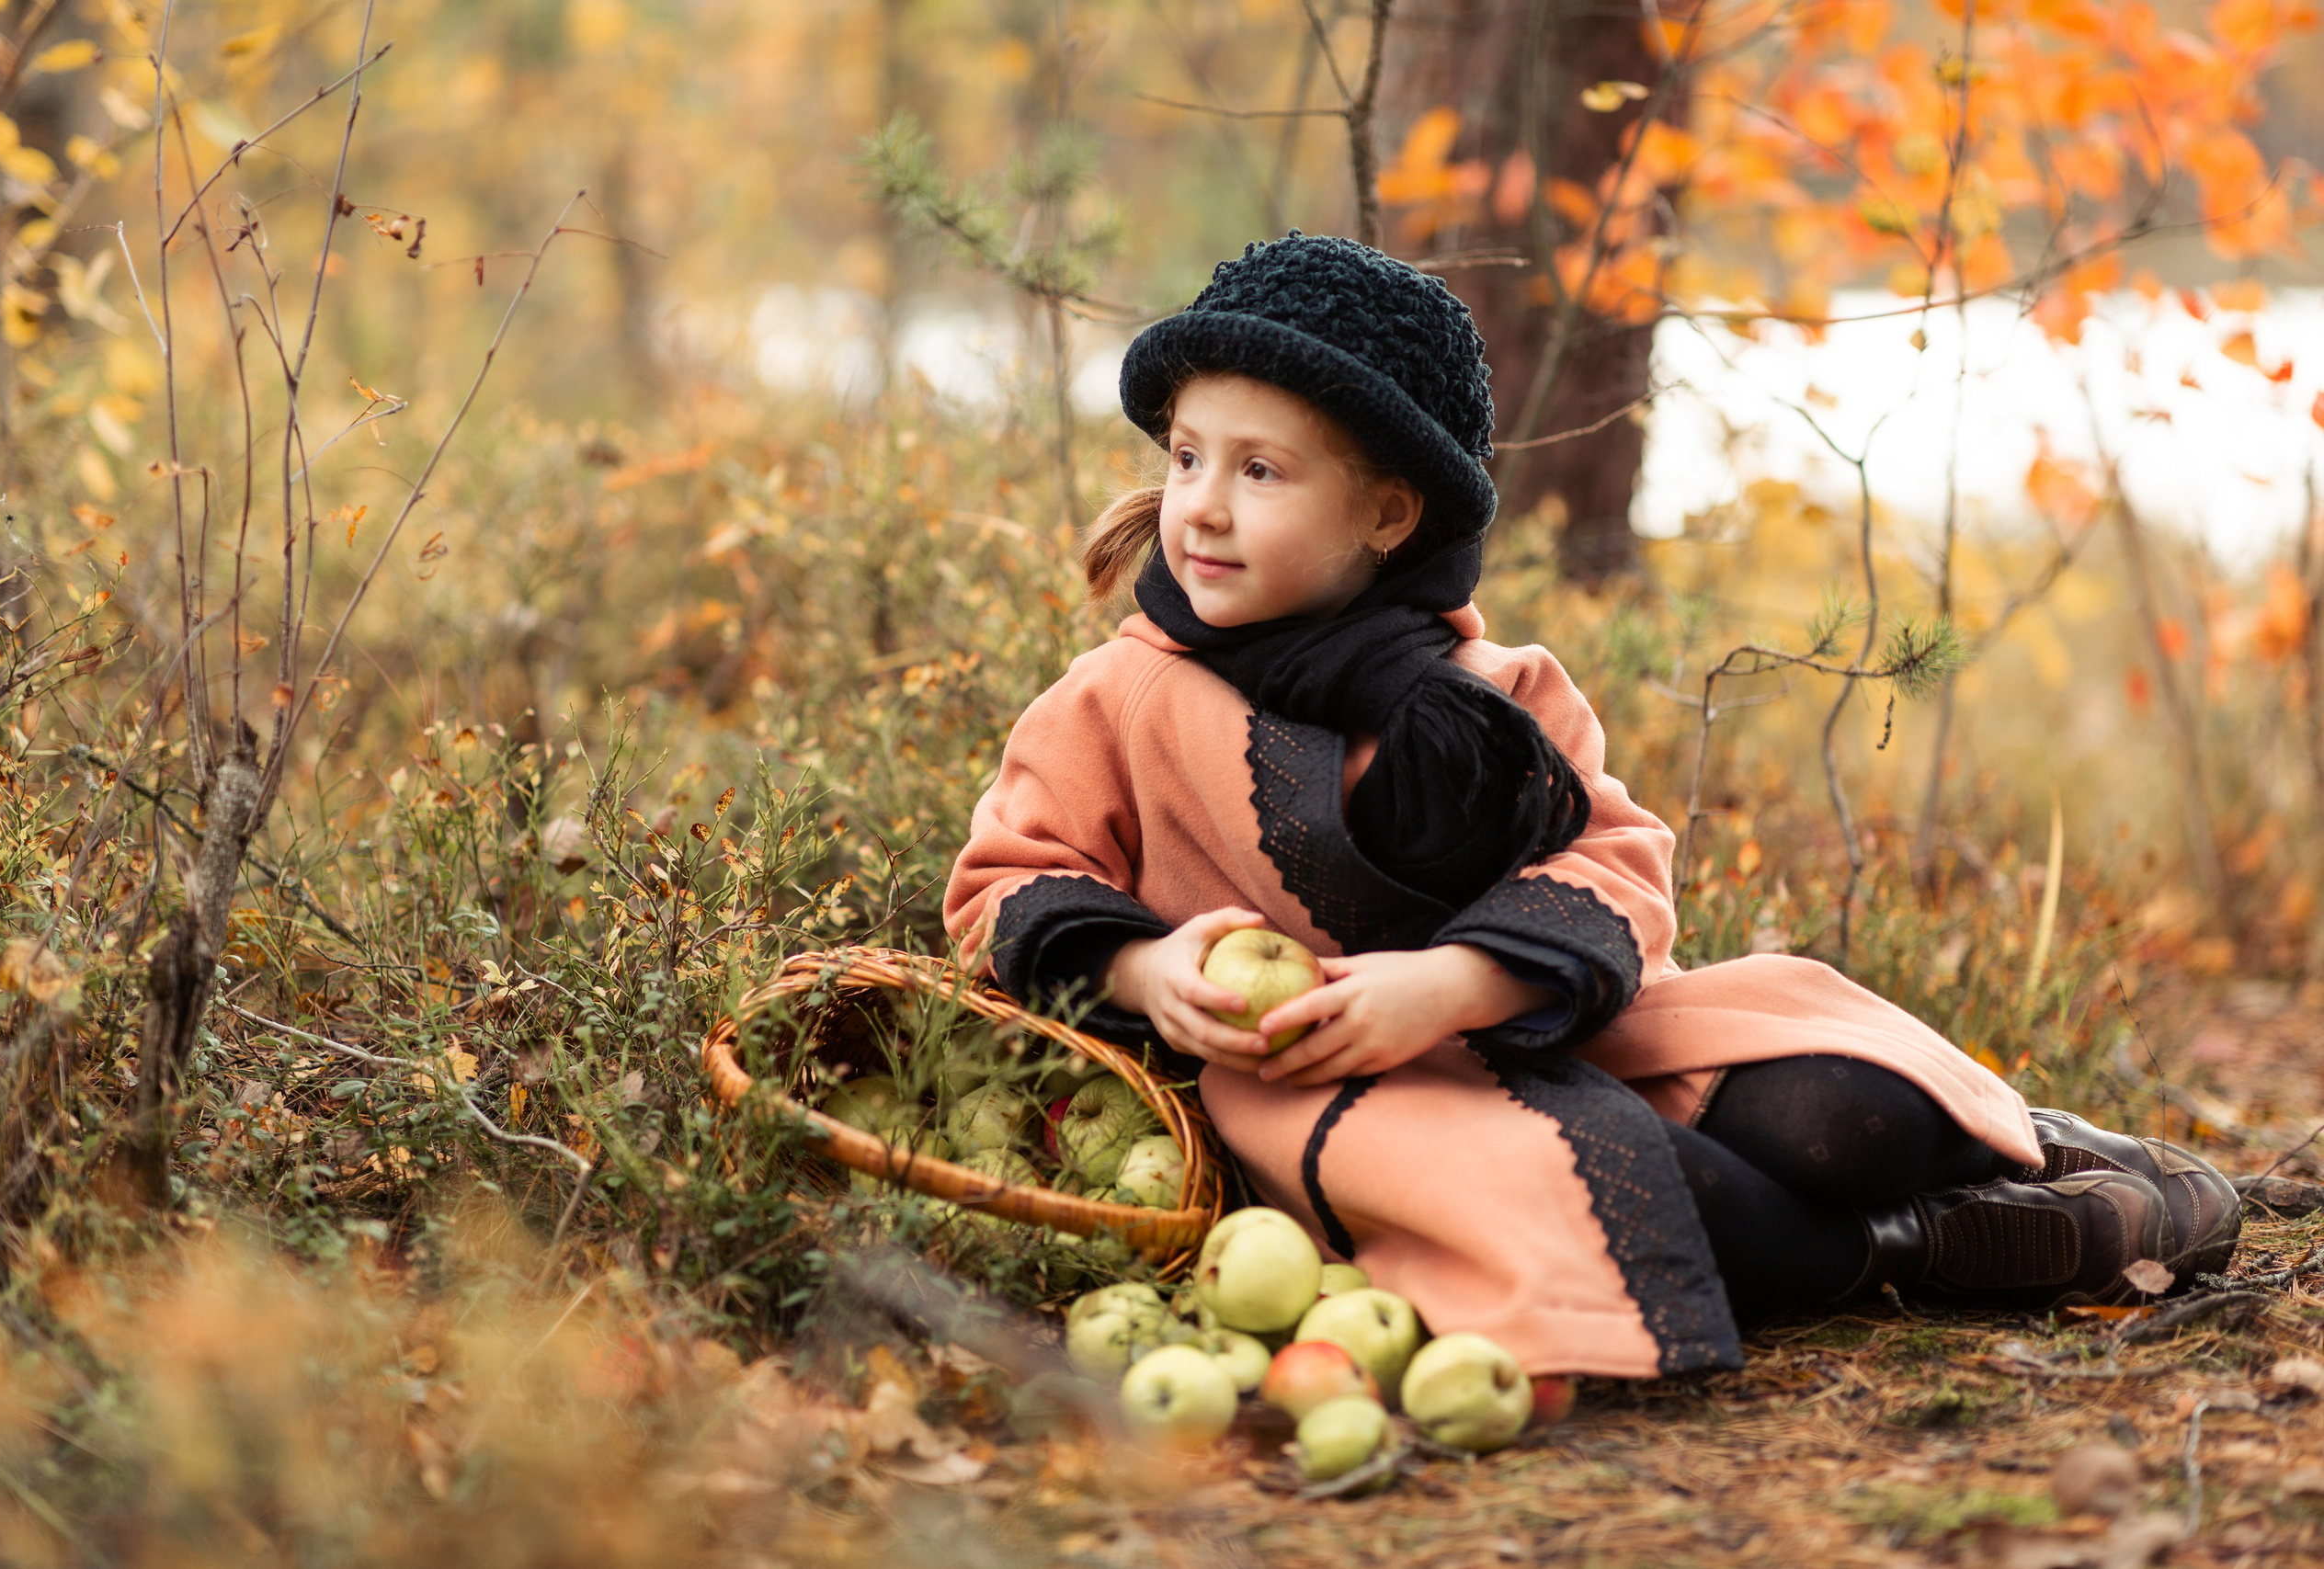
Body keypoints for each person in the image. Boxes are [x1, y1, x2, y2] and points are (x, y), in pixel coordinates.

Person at [943, 233, 2239, 1379]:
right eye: (1185, 458)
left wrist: (1457, 986)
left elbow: (1616, 864)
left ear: (1388, 512)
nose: (1203, 508)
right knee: (1650, 1197)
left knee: (1853, 1108)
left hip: (1536, 1021)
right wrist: (1141, 961)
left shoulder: (1490, 696)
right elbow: (1004, 877)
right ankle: (1921, 1245)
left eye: (1262, 472)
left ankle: (2006, 1151)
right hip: (1319, 1078)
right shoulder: (1116, 697)